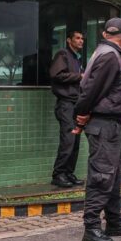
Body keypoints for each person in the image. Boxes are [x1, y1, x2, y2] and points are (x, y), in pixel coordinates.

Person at [74, 18, 121, 241]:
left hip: (111, 123)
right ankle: (91, 227)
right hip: (104, 124)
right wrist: (81, 113)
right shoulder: (110, 56)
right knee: (102, 175)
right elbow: (91, 88)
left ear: (105, 34)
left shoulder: (104, 51)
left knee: (112, 176)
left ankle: (114, 221)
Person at [49, 30, 85, 188]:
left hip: (76, 104)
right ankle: (58, 174)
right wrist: (80, 76)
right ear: (69, 40)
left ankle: (69, 173)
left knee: (75, 141)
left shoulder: (77, 59)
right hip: (65, 104)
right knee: (68, 139)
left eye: (82, 38)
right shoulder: (63, 54)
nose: (81, 41)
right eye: (77, 38)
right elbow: (56, 74)